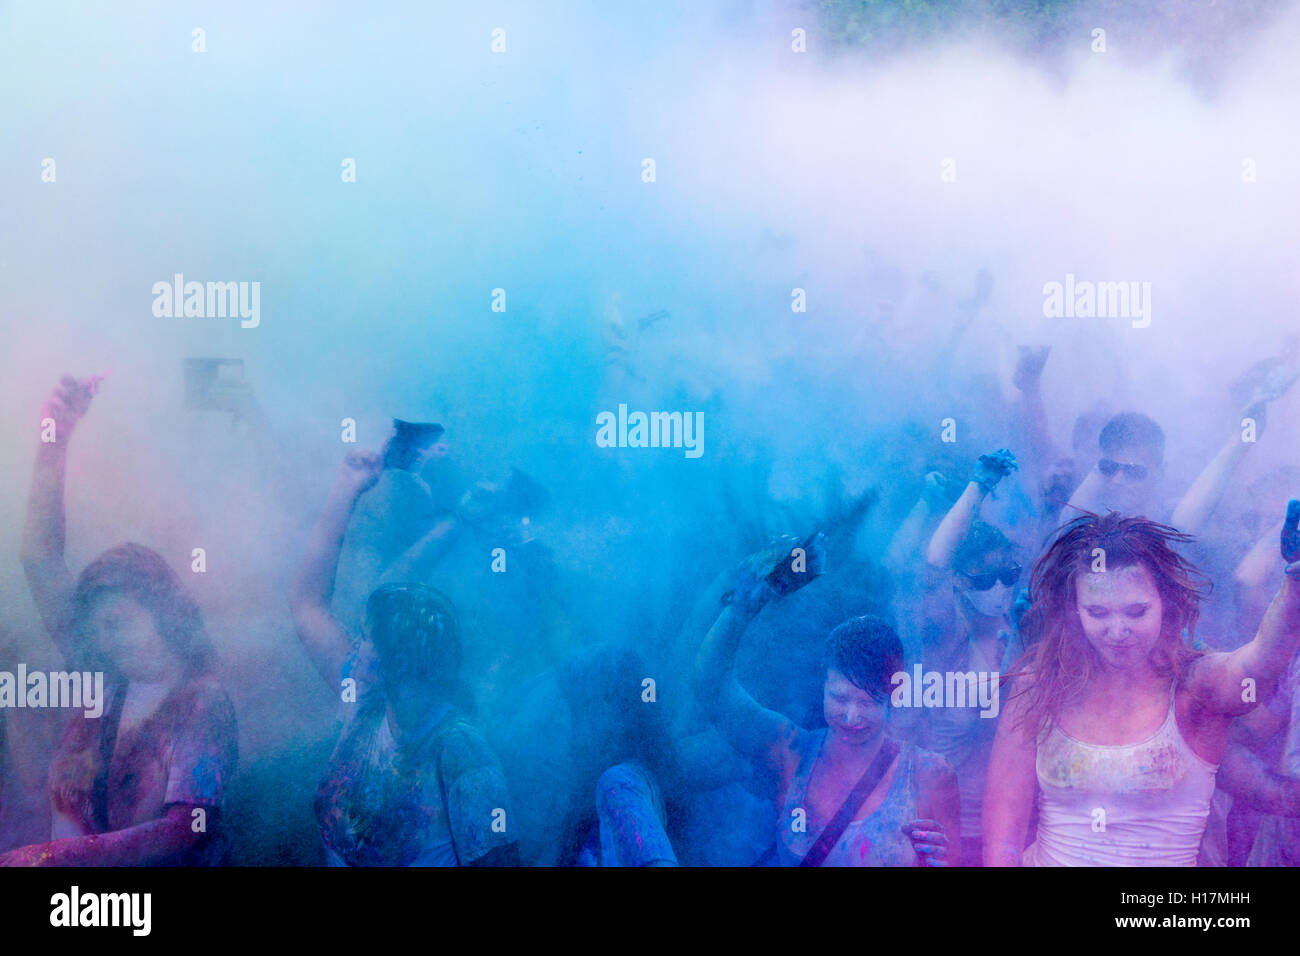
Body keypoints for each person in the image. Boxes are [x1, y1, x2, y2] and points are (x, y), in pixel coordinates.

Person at [2, 376, 237, 867]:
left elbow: (187, 830)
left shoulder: (198, 702)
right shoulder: (107, 678)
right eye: (100, 630)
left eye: (122, 624)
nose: (107, 642)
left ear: (166, 617)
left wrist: (57, 857)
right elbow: (38, 559)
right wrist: (54, 440)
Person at [984, 503, 1300, 866]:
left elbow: (1260, 663)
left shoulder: (1195, 688)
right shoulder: (1037, 690)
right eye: (1098, 612)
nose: (1117, 631)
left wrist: (1295, 581)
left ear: (1165, 604)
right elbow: (1002, 841)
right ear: (1074, 608)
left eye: (1136, 612)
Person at [291, 448, 518, 866]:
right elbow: (307, 604)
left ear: (401, 663)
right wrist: (345, 489)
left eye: (366, 639)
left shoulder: (461, 752)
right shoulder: (364, 705)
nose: (355, 648)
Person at [695, 542, 959, 866]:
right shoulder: (789, 752)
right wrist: (742, 608)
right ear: (823, 685)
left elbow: (954, 861)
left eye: (868, 701)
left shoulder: (928, 774)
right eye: (839, 697)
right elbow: (711, 688)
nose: (851, 715)